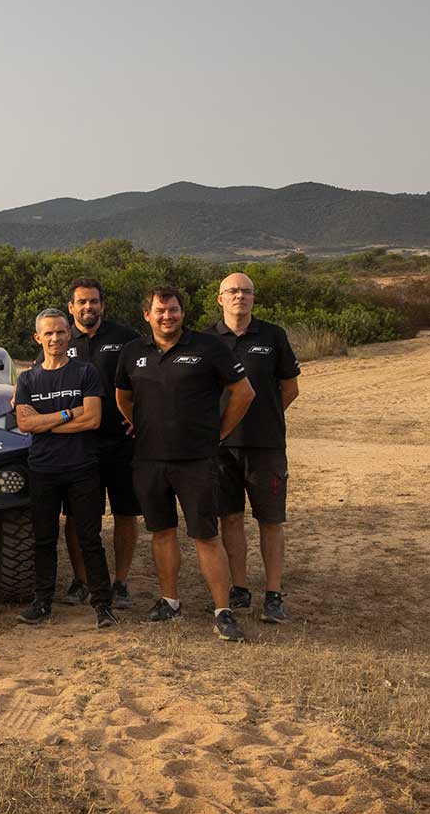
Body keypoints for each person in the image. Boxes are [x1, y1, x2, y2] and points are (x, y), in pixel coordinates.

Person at [115, 285, 256, 642]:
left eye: (174, 310)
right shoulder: (132, 352)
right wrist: (142, 423)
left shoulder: (209, 347)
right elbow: (123, 396)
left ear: (182, 313)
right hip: (149, 459)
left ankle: (223, 611)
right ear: (146, 315)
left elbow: (244, 392)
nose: (167, 316)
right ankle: (170, 601)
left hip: (197, 460)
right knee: (161, 532)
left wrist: (220, 433)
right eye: (160, 311)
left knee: (205, 535)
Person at [13, 309, 115, 629]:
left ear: (69, 335)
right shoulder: (28, 378)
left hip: (82, 468)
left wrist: (47, 423)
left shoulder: (85, 373)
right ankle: (42, 603)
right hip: (43, 469)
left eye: (60, 332)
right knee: (43, 539)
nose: (55, 338)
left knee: (90, 539)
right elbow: (24, 423)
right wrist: (70, 415)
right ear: (38, 338)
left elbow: (94, 419)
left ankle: (103, 605)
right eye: (49, 333)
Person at [208, 272, 300, 623]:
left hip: (266, 446)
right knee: (229, 518)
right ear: (220, 298)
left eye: (246, 291)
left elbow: (289, 389)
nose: (239, 297)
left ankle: (273, 595)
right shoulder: (205, 339)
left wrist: (266, 416)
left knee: (271, 520)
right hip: (221, 447)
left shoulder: (273, 335)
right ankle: (240, 589)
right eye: (232, 291)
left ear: (253, 298)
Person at [65, 278, 143, 607]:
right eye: (81, 302)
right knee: (78, 517)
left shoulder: (127, 339)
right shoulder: (61, 339)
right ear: (71, 307)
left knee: (125, 513)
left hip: (121, 444)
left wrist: (141, 418)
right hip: (79, 445)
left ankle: (121, 582)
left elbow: (149, 380)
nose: (88, 307)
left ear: (103, 305)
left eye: (94, 301)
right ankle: (81, 580)